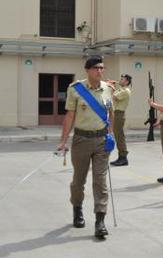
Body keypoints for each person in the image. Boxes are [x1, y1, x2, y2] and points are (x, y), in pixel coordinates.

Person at [57, 55, 114, 239]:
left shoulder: (108, 89)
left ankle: (100, 221)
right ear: (87, 70)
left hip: (101, 141)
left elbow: (109, 114)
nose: (100, 71)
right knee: (78, 181)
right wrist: (63, 141)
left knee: (100, 181)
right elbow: (69, 116)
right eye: (96, 68)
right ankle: (77, 208)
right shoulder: (75, 89)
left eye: (102, 68)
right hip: (81, 140)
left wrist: (110, 134)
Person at [110, 74, 132, 166]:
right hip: (116, 114)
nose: (120, 80)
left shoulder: (126, 91)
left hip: (119, 114)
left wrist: (111, 86)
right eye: (121, 78)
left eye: (122, 79)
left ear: (127, 82)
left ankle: (123, 157)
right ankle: (121, 157)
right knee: (118, 136)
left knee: (119, 136)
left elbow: (114, 97)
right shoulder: (121, 90)